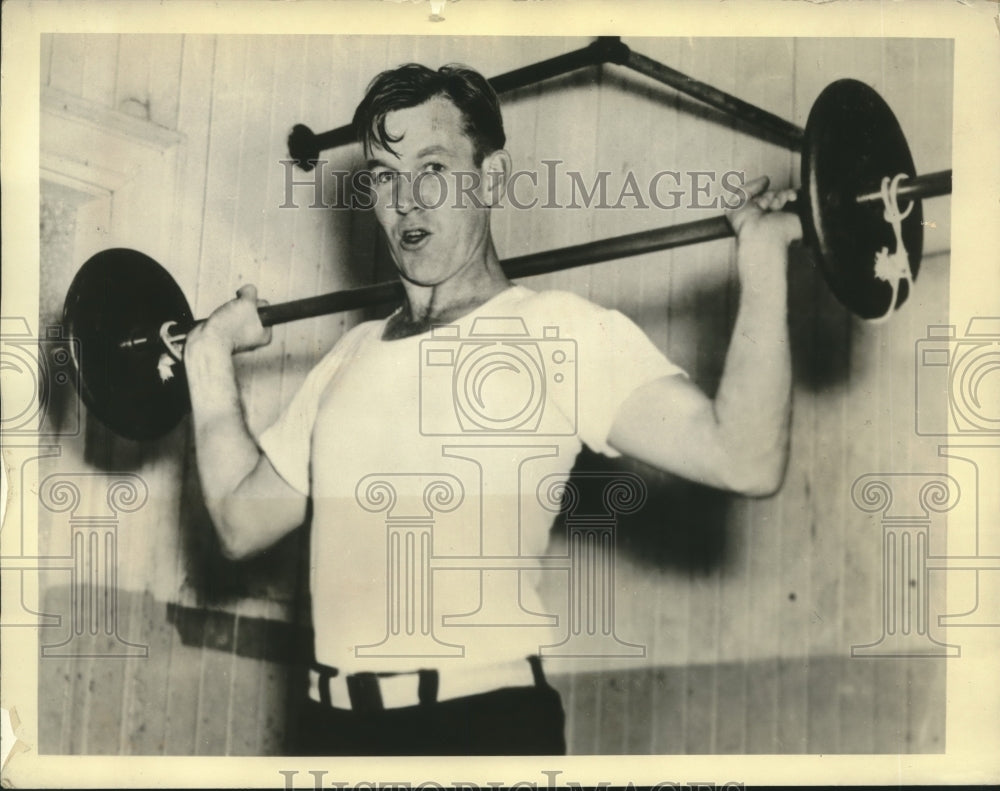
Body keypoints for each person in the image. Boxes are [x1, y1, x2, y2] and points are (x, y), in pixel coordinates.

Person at [183, 63, 801, 756]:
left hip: (476, 728)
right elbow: (240, 520)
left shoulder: (559, 331)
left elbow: (745, 457)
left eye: (434, 167)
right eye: (385, 176)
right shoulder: (348, 357)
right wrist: (207, 358)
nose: (407, 200)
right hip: (329, 732)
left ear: (492, 178)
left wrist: (764, 262)